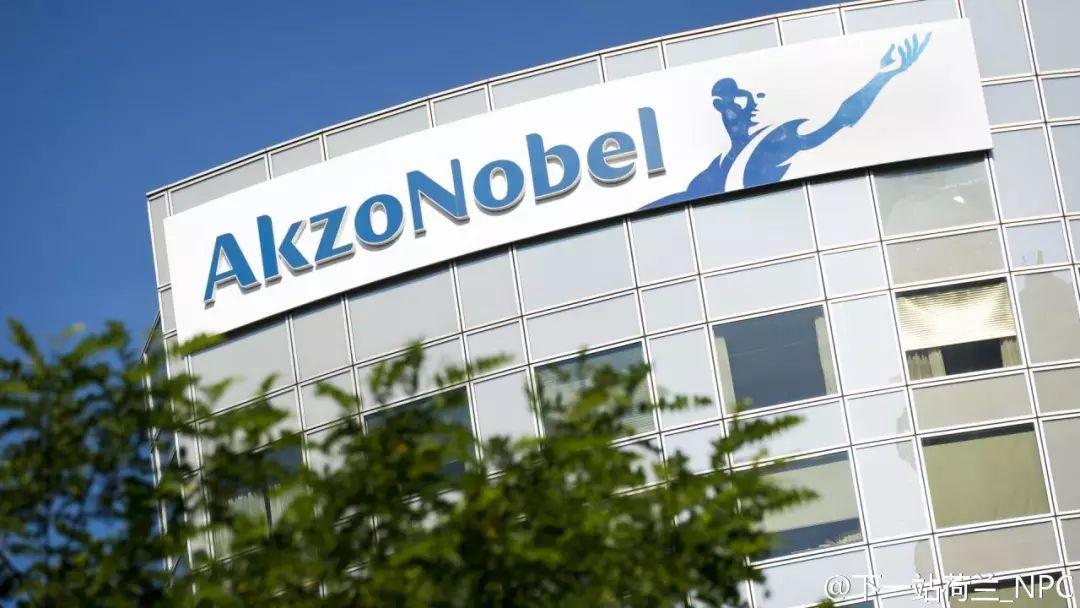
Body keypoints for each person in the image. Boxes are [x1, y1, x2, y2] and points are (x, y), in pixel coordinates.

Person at [645, 32, 932, 209]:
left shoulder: (776, 140)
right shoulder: (719, 164)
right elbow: (684, 197)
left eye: (738, 98)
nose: (731, 110)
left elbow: (840, 118)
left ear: (752, 101)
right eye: (723, 103)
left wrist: (882, 76)